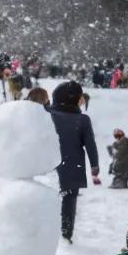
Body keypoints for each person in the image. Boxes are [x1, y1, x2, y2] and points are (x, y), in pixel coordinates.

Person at [50, 80, 99, 242]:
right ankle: (66, 232)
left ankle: (47, 229)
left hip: (49, 162)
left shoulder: (49, 114)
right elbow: (90, 144)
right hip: (72, 164)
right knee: (69, 199)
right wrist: (94, 165)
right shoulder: (82, 120)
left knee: (50, 196)